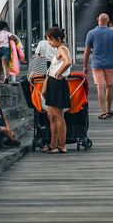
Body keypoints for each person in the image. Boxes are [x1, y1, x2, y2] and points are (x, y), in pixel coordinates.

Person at [83, 13, 113, 119]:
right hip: (110, 64)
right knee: (109, 86)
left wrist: (85, 66)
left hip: (96, 64)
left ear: (97, 20)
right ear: (108, 21)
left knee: (100, 87)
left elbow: (86, 52)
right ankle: (109, 109)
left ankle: (103, 112)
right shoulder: (112, 33)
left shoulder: (91, 33)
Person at [41, 26, 72, 154]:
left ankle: (61, 144)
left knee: (58, 116)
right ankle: (53, 144)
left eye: (51, 40)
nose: (49, 43)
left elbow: (68, 61)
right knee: (52, 116)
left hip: (58, 83)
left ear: (58, 39)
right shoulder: (59, 49)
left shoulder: (62, 49)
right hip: (54, 83)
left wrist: (59, 73)